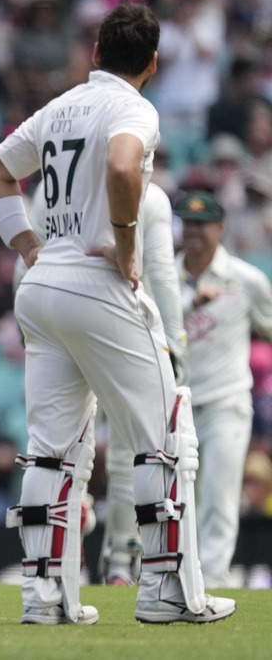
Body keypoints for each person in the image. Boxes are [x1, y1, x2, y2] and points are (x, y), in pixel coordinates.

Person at [0, 1, 235, 625]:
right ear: (152, 62)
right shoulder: (134, 107)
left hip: (41, 288)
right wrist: (126, 245)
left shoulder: (60, 106)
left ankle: (43, 599)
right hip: (96, 282)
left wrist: (29, 246)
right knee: (167, 434)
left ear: (94, 53)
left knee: (50, 451)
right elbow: (123, 165)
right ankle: (167, 593)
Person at [16, 181, 189, 586]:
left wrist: (31, 333)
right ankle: (136, 570)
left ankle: (45, 582)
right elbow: (161, 274)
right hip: (114, 318)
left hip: (44, 307)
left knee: (53, 447)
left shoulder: (51, 187)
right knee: (142, 441)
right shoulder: (147, 191)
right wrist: (175, 347)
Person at [174, 190, 272, 588]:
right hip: (177, 405)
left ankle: (212, 582)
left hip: (227, 402)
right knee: (183, 502)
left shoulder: (246, 280)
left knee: (218, 495)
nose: (194, 231)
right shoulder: (163, 276)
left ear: (220, 227)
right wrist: (189, 304)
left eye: (202, 224)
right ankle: (184, 581)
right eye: (189, 223)